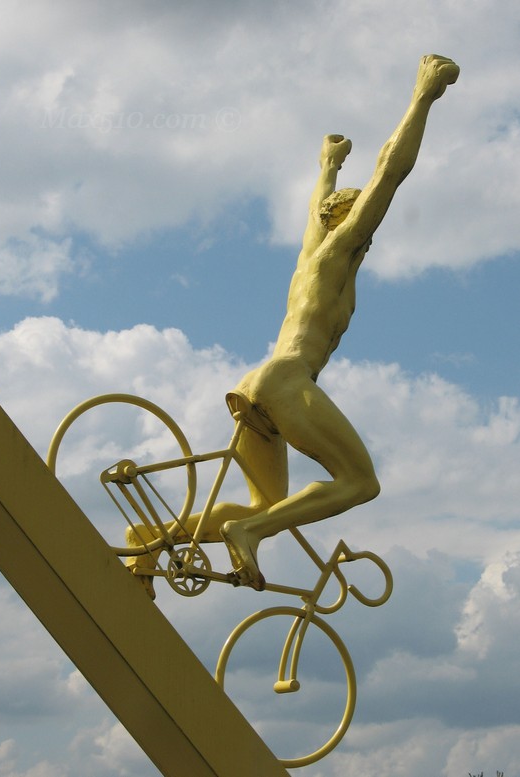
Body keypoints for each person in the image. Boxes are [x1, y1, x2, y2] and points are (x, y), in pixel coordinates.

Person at [128, 54, 459, 594]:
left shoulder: (314, 256)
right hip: (285, 382)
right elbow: (391, 173)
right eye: (360, 220)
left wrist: (327, 165)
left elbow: (313, 213)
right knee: (359, 483)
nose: (369, 231)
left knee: (270, 499)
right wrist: (422, 96)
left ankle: (147, 539)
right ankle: (248, 531)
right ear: (350, 222)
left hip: (254, 386)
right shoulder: (339, 254)